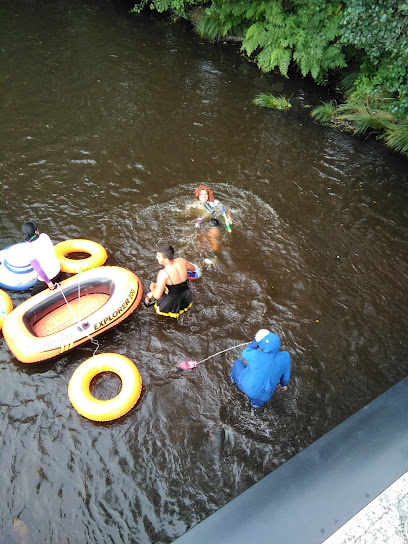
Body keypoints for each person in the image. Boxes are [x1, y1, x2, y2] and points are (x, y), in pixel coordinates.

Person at [231, 329, 291, 407]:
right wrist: (283, 385)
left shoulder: (256, 355)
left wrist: (256, 342)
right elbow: (286, 376)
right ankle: (255, 407)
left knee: (238, 363)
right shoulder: (285, 357)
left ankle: (232, 380)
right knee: (256, 404)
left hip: (248, 388)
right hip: (265, 397)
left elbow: (245, 352)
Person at [148, 244, 196, 318]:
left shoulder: (163, 274)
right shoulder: (182, 261)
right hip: (186, 295)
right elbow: (193, 269)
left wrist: (152, 288)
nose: (156, 257)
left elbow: (157, 296)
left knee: (159, 315)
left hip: (173, 301)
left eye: (159, 256)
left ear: (166, 260)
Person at [21, 221, 63, 296]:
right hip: (58, 270)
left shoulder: (28, 248)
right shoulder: (44, 236)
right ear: (36, 231)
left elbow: (39, 270)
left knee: (33, 294)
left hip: (49, 276)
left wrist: (48, 283)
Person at [193, 185, 231, 257]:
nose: (203, 196)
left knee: (213, 237)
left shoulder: (215, 202)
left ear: (208, 195)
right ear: (198, 195)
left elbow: (226, 209)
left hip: (214, 221)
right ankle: (204, 257)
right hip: (202, 223)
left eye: (205, 194)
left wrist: (229, 218)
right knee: (201, 243)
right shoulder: (194, 204)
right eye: (201, 194)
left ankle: (214, 256)